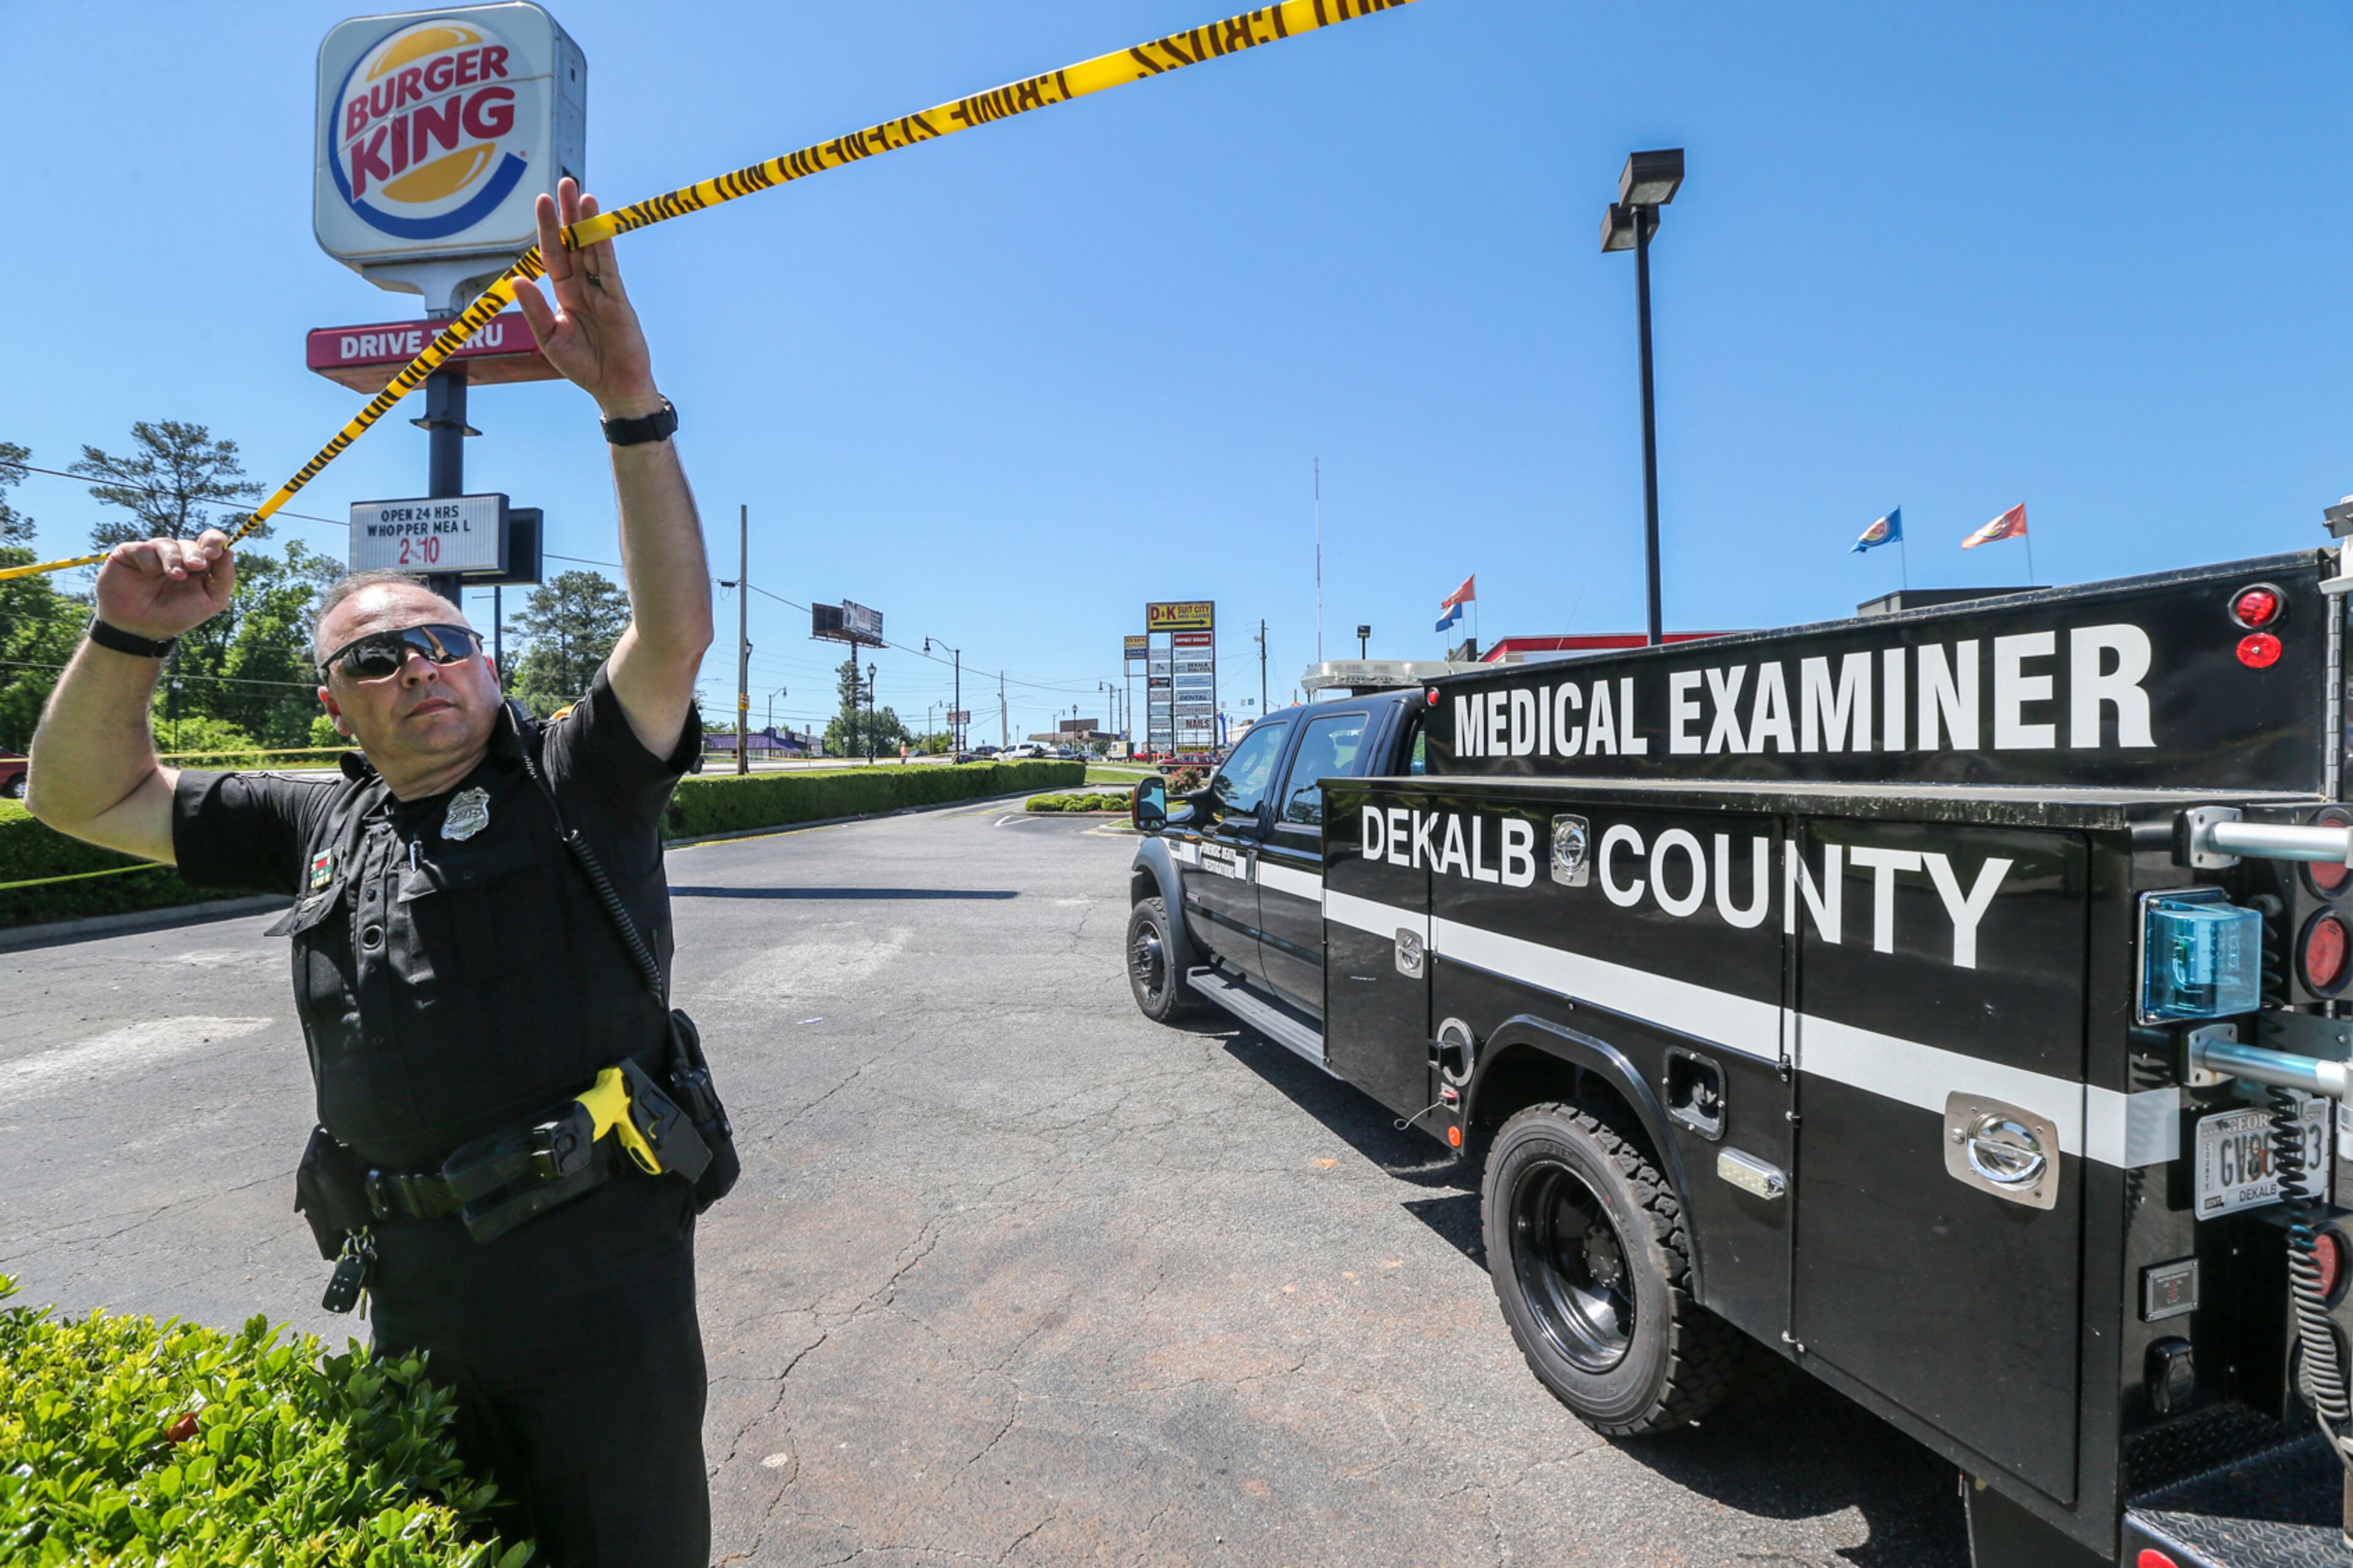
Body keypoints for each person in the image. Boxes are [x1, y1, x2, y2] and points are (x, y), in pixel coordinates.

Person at [26, 179, 716, 1567]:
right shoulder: (317, 819)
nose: (417, 667)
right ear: (335, 702)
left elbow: (672, 632)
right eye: (372, 657)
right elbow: (80, 794)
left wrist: (628, 406)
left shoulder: (582, 775)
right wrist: (124, 642)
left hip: (601, 1298)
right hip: (412, 1286)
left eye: (442, 640)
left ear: (491, 664)